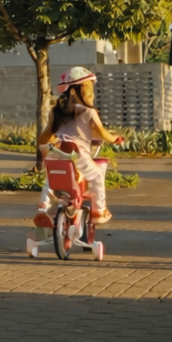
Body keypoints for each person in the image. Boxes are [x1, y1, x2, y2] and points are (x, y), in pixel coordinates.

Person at [33, 66, 116, 227]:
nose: (91, 96)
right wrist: (114, 138)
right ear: (79, 92)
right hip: (77, 155)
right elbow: (102, 133)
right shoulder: (89, 112)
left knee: (50, 180)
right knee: (97, 174)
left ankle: (43, 208)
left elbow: (45, 136)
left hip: (57, 152)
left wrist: (44, 148)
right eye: (89, 91)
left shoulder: (56, 111)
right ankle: (99, 211)